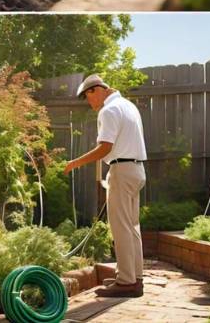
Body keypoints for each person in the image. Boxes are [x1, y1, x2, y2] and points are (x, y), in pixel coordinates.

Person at [64, 74, 147, 298]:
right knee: (132, 227)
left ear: (97, 90)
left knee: (120, 228)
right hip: (137, 170)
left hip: (121, 170)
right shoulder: (128, 106)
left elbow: (105, 148)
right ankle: (134, 278)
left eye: (87, 97)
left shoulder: (108, 110)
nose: (89, 103)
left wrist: (74, 163)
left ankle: (126, 282)